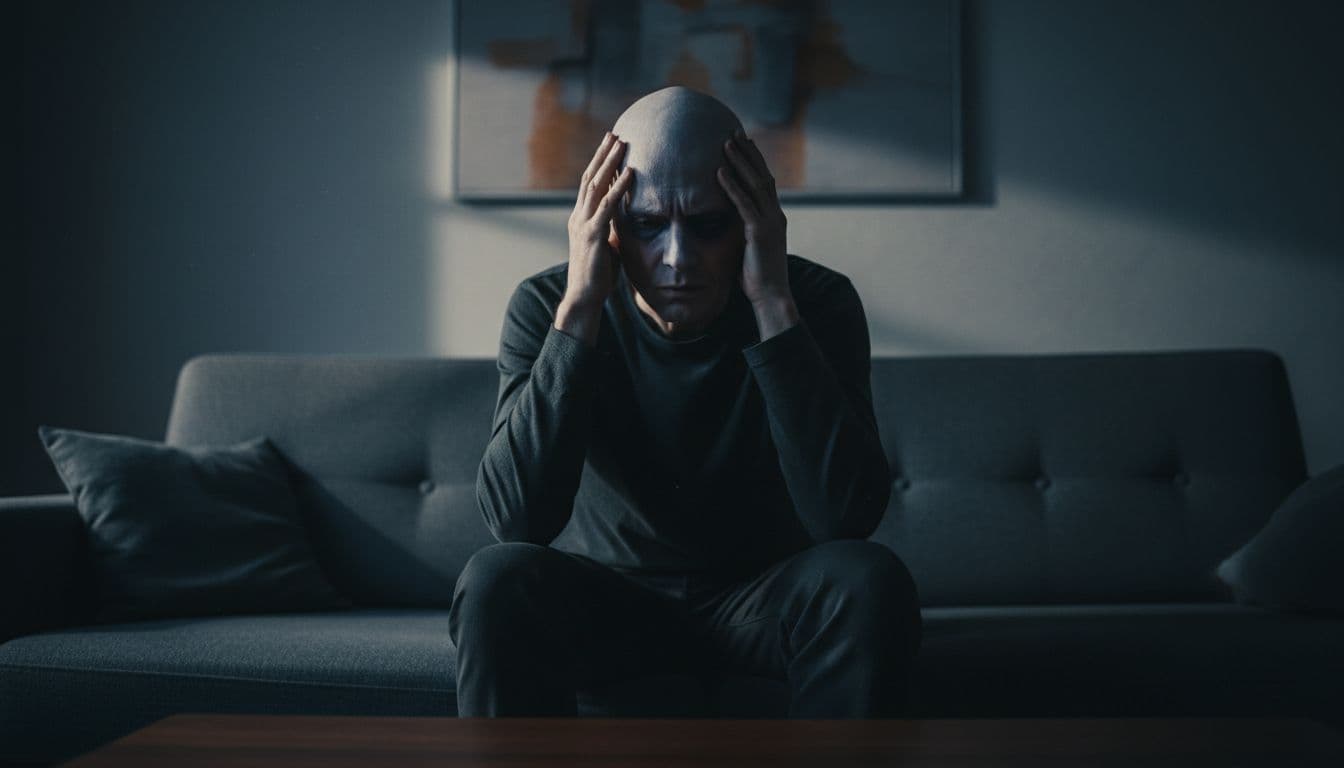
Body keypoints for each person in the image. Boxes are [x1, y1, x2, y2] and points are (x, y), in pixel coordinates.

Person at [448, 86, 921, 718]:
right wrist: (580, 313)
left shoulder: (816, 302)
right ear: (609, 225)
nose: (677, 259)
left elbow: (846, 521)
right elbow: (516, 522)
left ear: (750, 219)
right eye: (646, 225)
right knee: (494, 579)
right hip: (609, 603)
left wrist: (774, 306)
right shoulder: (547, 307)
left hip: (762, 603)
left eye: (708, 225)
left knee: (868, 577)